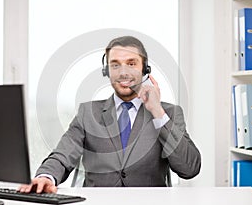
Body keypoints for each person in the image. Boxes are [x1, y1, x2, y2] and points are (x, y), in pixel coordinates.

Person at [19, 36, 201, 193]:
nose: (123, 72)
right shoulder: (88, 113)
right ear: (107, 71)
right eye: (115, 65)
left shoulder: (169, 113)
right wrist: (46, 177)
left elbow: (189, 168)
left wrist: (157, 112)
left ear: (145, 69)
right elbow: (62, 155)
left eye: (131, 63)